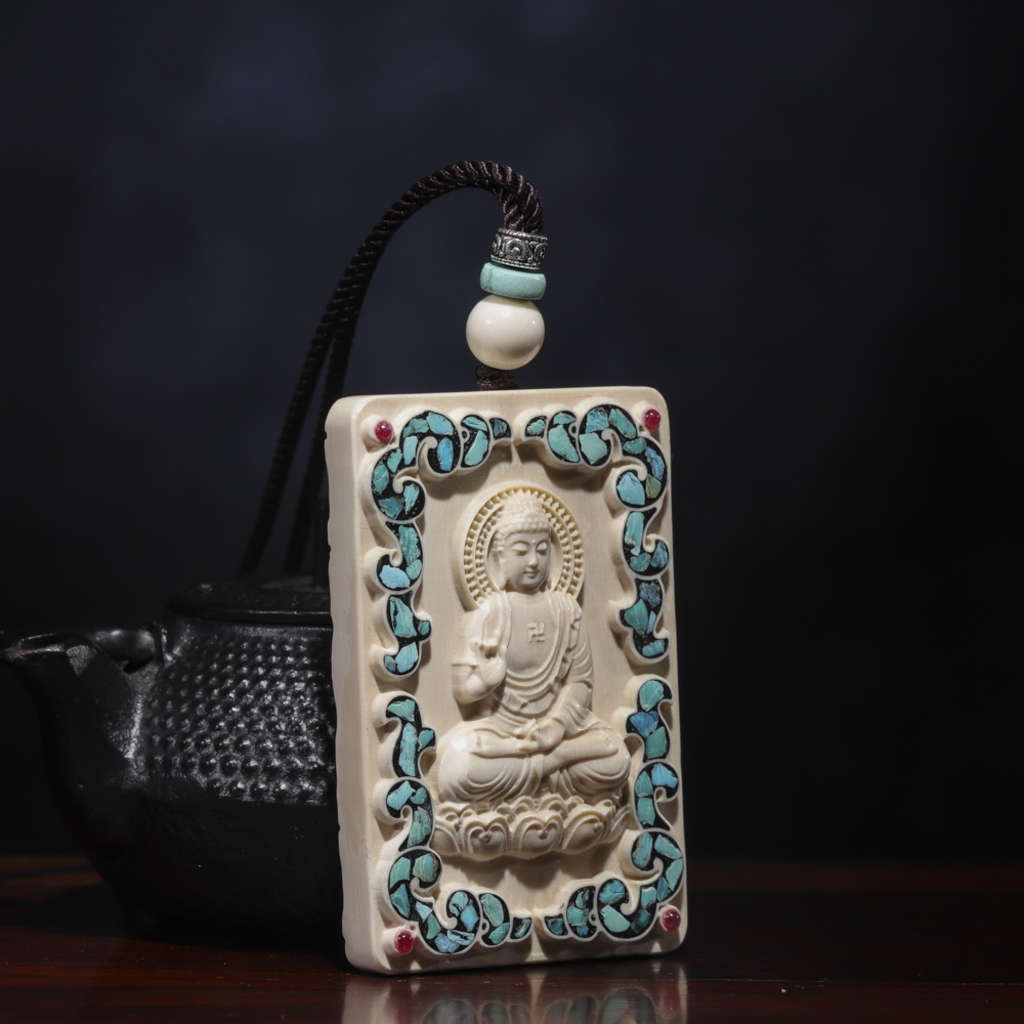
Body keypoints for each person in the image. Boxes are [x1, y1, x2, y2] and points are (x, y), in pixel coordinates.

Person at [437, 492, 630, 807]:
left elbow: (580, 682)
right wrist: (484, 683)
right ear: (500, 557)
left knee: (616, 756)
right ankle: (552, 766)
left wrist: (555, 726)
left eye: (542, 550)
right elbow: (463, 691)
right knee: (458, 768)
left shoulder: (566, 610)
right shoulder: (489, 613)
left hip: (558, 734)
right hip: (503, 731)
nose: (533, 561)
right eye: (521, 551)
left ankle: (545, 764)